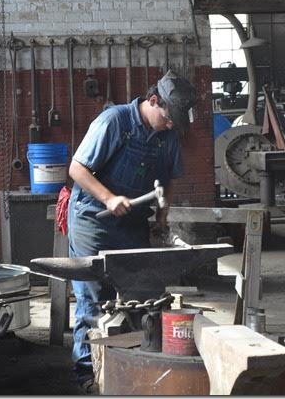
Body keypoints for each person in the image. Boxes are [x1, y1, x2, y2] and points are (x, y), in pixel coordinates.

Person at [66, 70, 198, 392]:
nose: (171, 126)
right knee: (95, 300)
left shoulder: (167, 135)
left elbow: (166, 181)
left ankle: (133, 363)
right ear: (153, 101)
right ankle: (89, 376)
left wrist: (162, 219)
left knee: (140, 297)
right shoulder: (114, 122)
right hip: (92, 220)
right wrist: (109, 198)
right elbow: (76, 169)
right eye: (168, 118)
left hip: (132, 224)